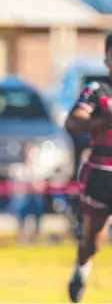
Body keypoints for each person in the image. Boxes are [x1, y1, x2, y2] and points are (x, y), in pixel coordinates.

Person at [64, 32, 112, 303]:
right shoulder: (97, 90)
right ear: (107, 59)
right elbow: (73, 122)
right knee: (94, 241)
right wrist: (104, 122)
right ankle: (81, 269)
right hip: (101, 175)